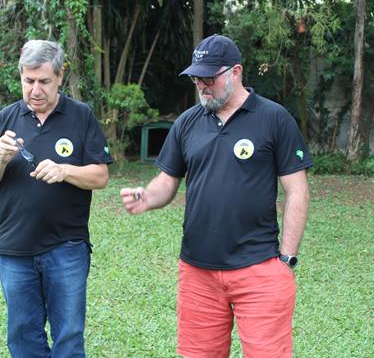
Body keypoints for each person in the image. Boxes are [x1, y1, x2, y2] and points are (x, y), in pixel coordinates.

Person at [120, 34, 313, 358]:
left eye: (209, 78)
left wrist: (286, 259)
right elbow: (167, 180)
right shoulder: (187, 123)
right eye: (196, 79)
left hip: (259, 267)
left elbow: (297, 191)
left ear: (235, 72)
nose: (202, 85)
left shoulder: (274, 118)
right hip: (198, 271)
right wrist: (148, 197)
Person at [0, 39, 112, 357]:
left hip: (66, 247)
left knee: (69, 336)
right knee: (22, 336)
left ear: (60, 77)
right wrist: (1, 159)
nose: (35, 90)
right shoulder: (7, 119)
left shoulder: (80, 116)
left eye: (44, 81)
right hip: (14, 248)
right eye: (29, 81)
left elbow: (101, 176)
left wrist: (65, 171)